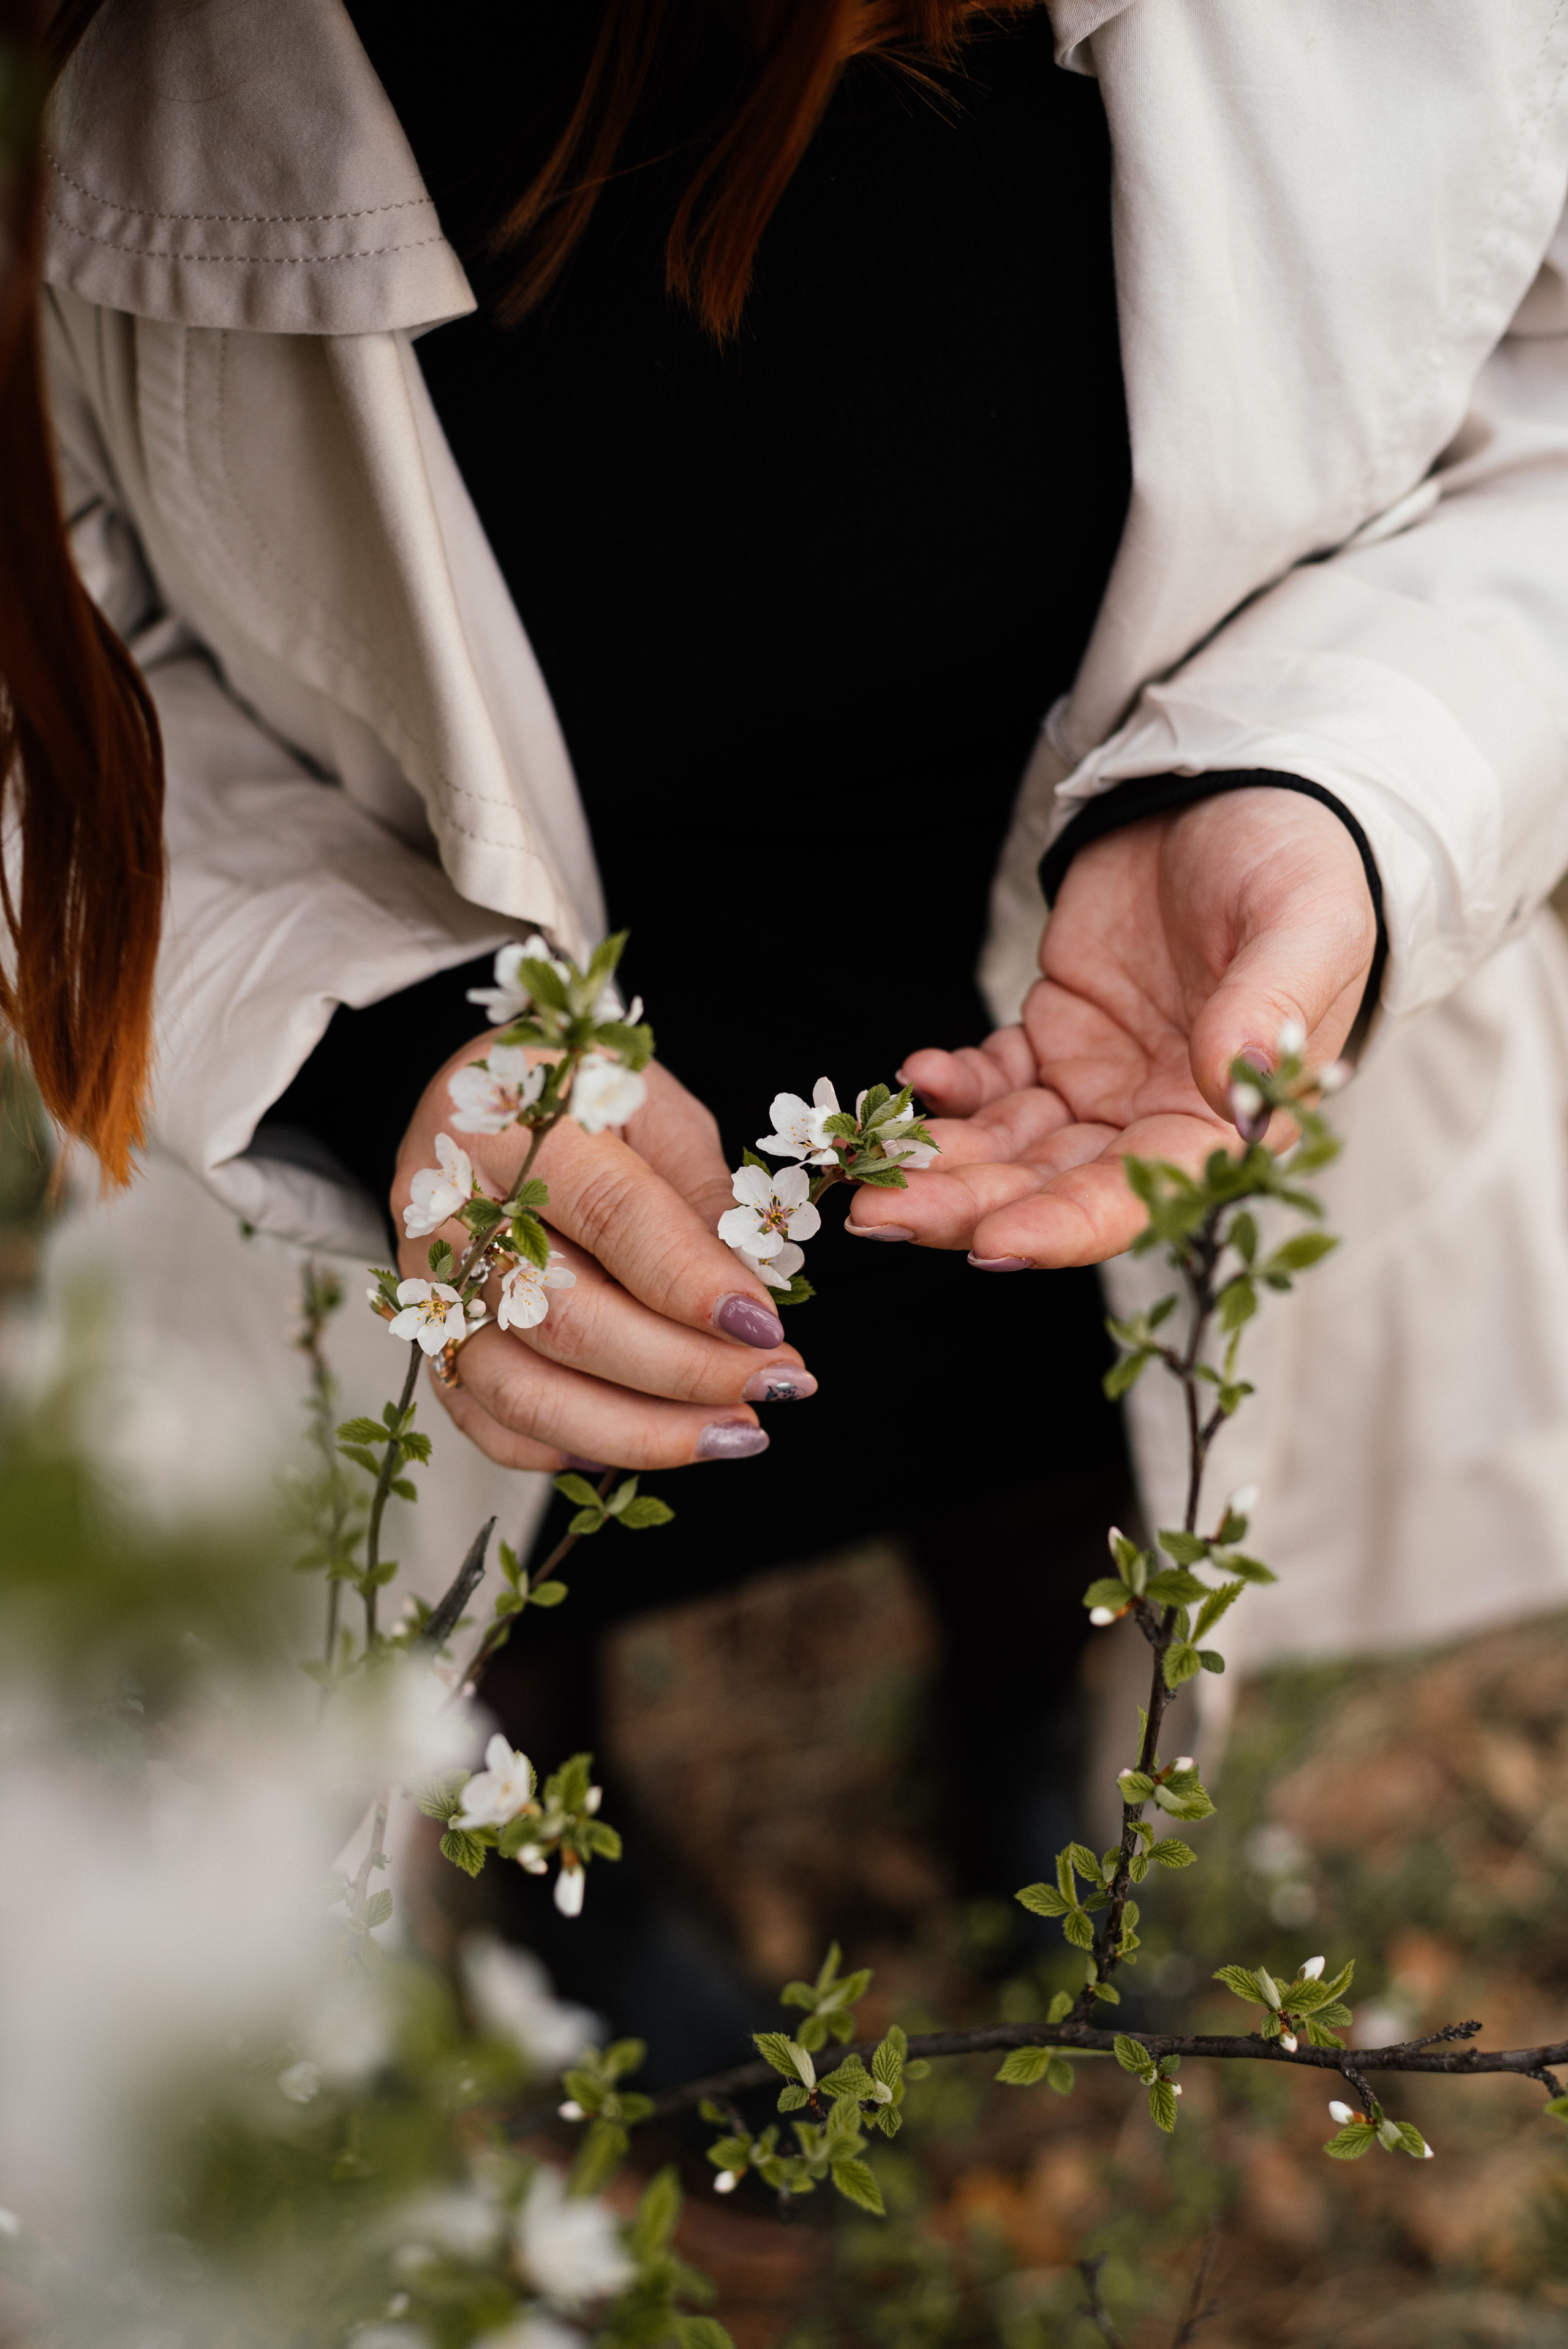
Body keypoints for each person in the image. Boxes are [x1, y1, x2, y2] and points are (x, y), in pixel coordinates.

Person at [16, 0, 1568, 2029]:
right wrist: (383, 1042)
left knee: (1066, 1430)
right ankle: (576, 1877)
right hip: (517, 1074)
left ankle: (1025, 1721)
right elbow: (53, 672)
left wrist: (1326, 787)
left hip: (1082, 1037)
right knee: (554, 1500)